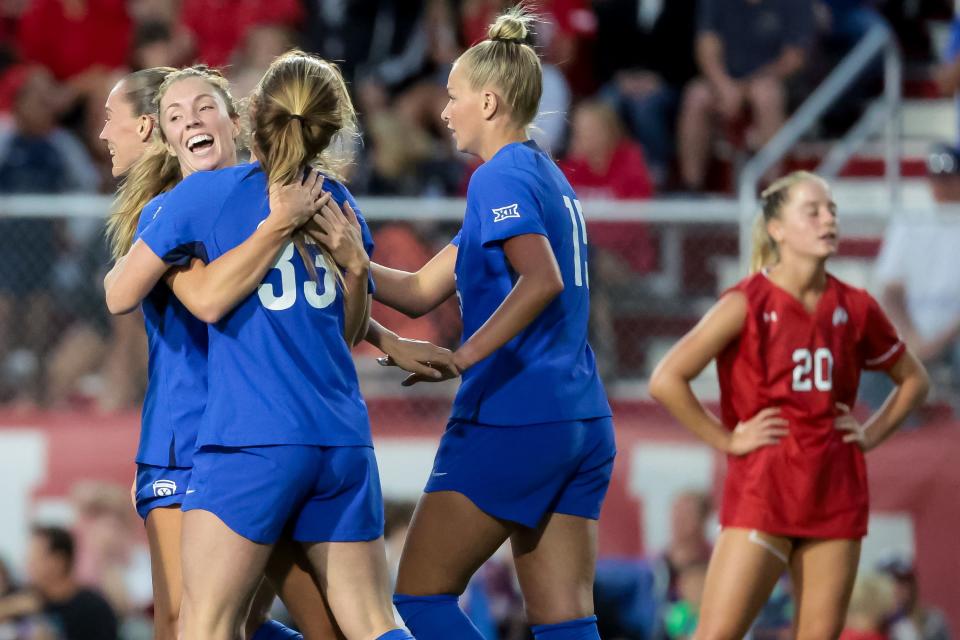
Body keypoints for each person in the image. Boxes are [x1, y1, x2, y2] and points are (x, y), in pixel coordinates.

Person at [105, 51, 415, 640]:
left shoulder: (199, 204)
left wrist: (378, 325)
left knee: (205, 623)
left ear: (241, 119)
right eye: (175, 114)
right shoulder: (325, 197)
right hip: (299, 435)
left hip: (241, 440)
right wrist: (380, 323)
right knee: (348, 621)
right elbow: (331, 317)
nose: (192, 121)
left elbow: (210, 300)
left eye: (204, 107)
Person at [370, 8, 615, 640]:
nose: (444, 112)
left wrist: (465, 356)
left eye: (452, 98)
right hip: (579, 418)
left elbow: (542, 279)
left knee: (418, 598)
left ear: (489, 99)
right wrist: (348, 258)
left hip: (514, 413)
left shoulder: (496, 176)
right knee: (565, 620)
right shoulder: (545, 176)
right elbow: (422, 289)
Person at [649, 171, 930, 639]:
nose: (828, 220)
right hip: (764, 491)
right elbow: (666, 380)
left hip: (835, 491)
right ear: (777, 229)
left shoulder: (857, 306)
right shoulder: (746, 303)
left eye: (832, 211)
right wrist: (727, 437)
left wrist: (871, 434)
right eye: (813, 211)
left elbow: (914, 381)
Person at [0, 526, 118, 640]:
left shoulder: (93, 609)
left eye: (35, 557)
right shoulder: (24, 597)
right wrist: (11, 607)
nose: (28, 564)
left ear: (59, 561)